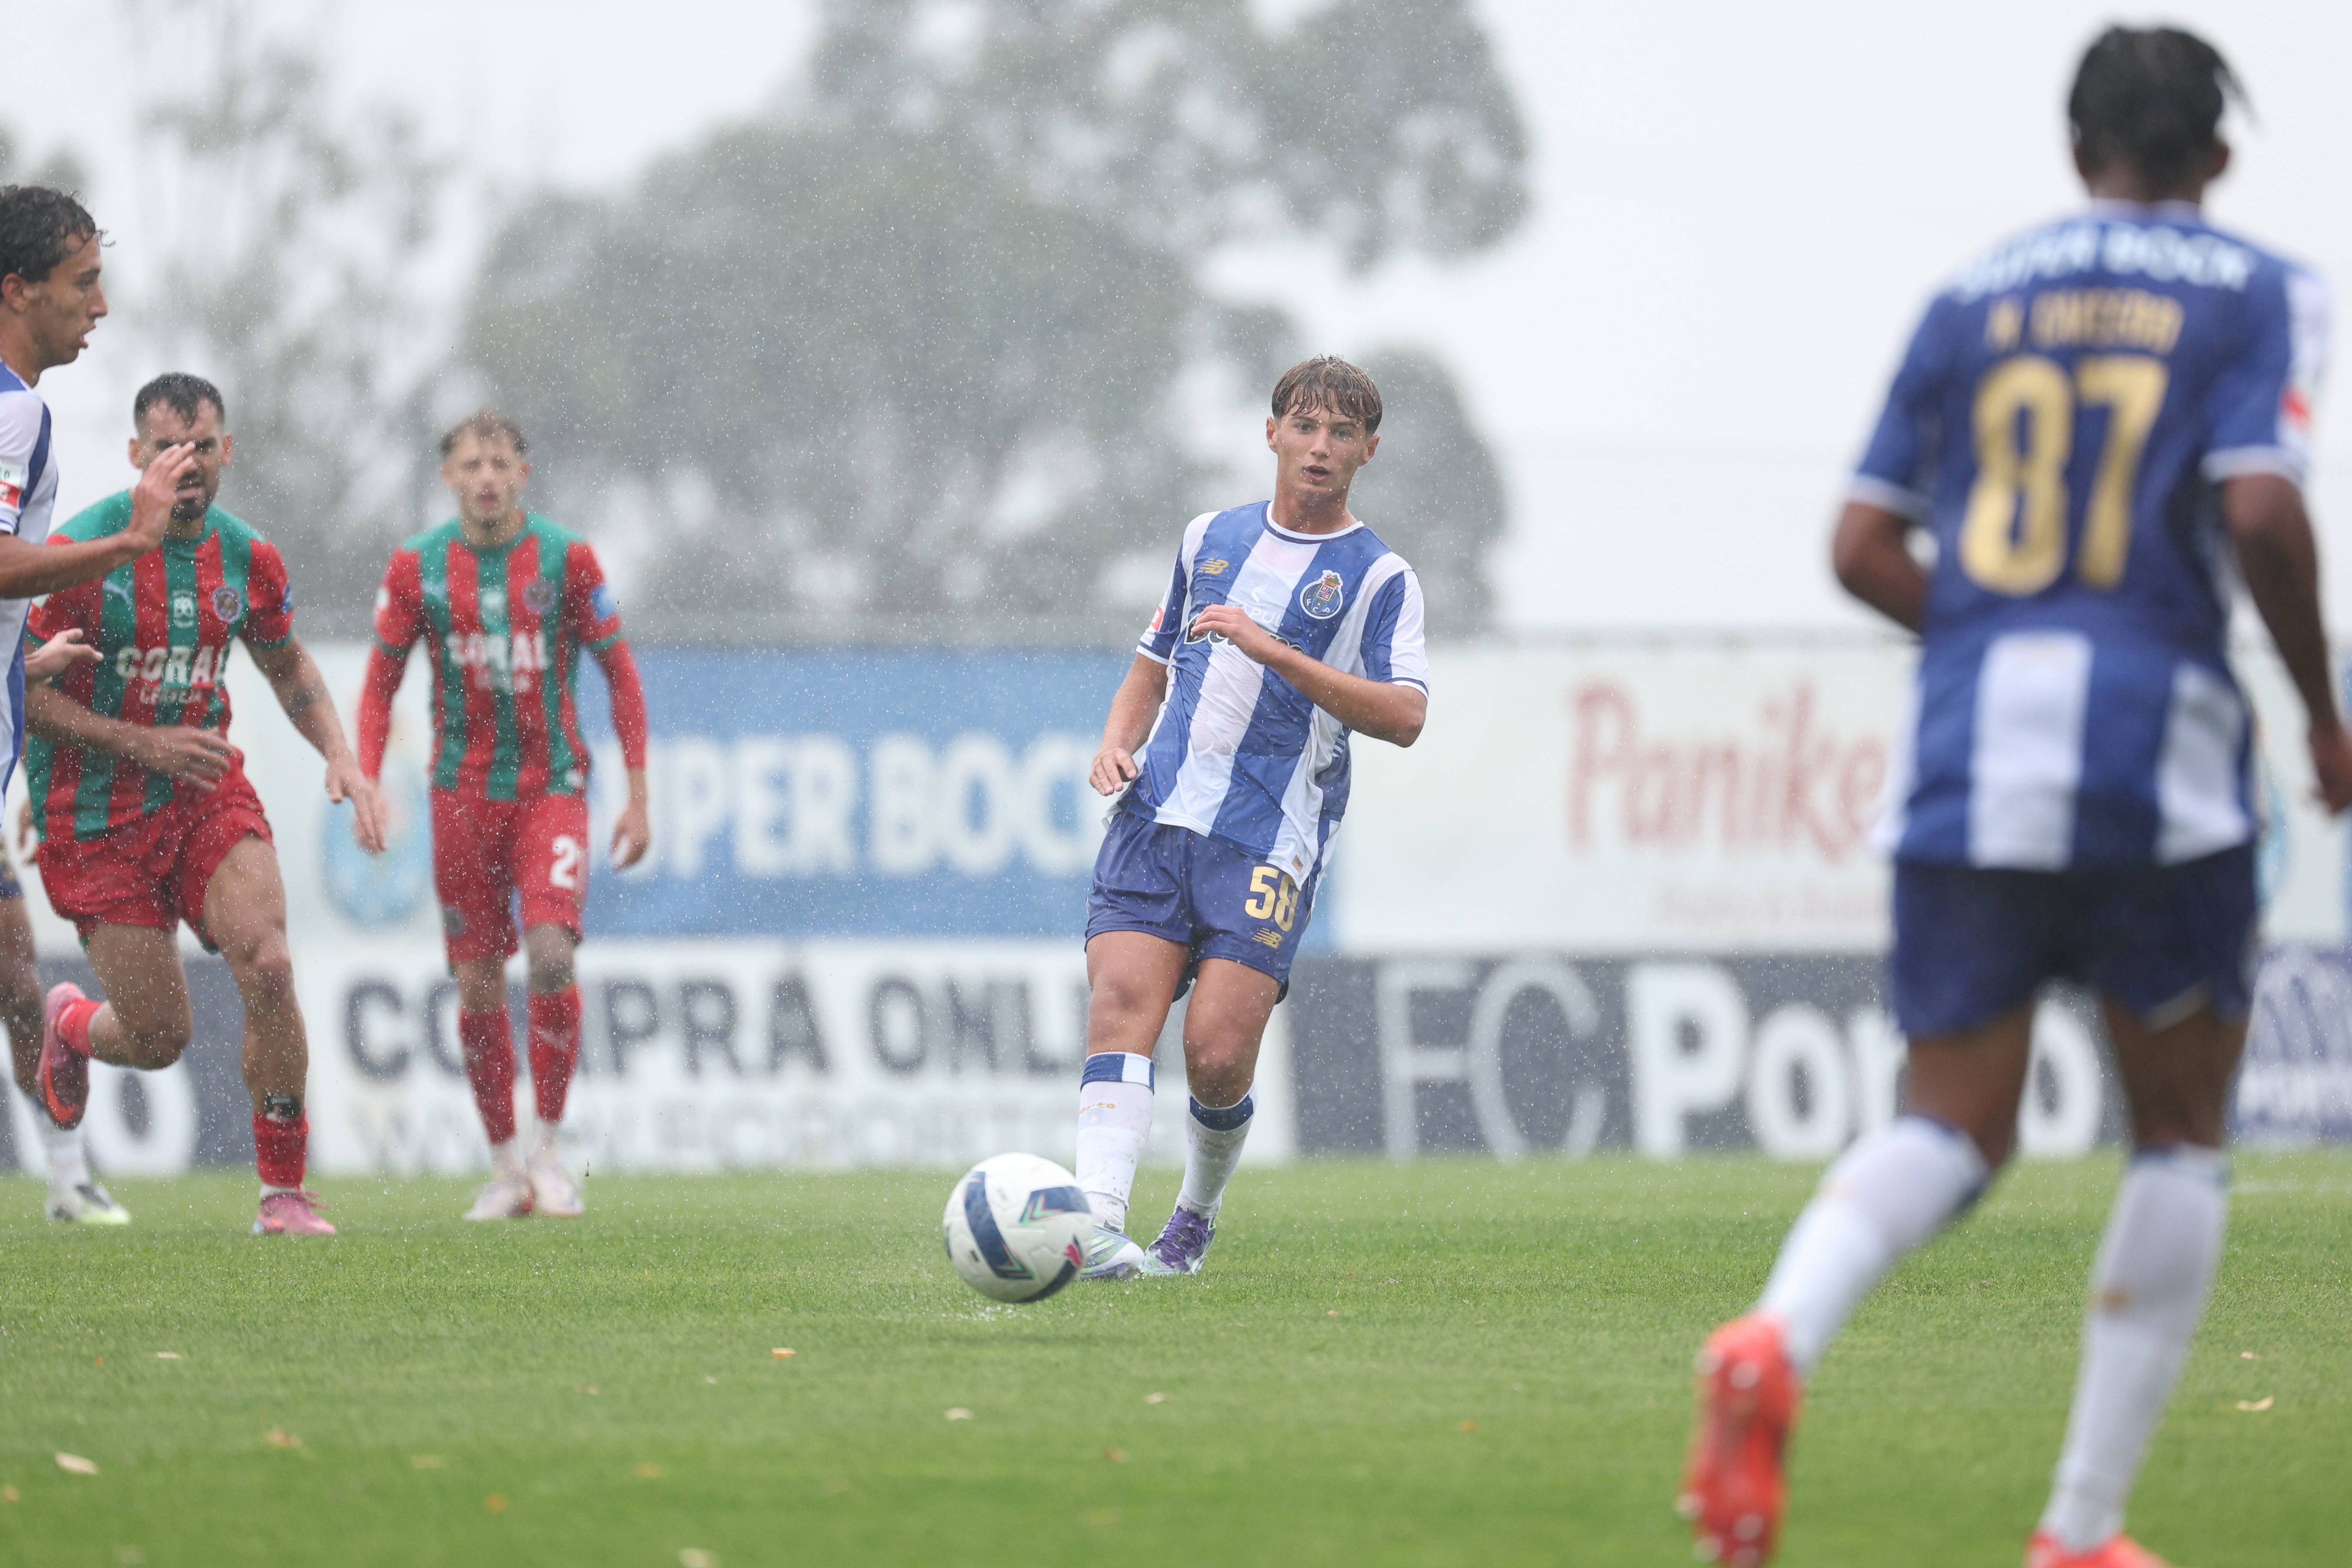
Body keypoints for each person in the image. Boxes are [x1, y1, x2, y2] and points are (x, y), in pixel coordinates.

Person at [1679, 28, 2352, 1568]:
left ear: (2072, 151)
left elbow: (1858, 545)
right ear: (2221, 160)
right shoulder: (2259, 287)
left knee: (1952, 1124)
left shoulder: (1970, 297)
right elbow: (2260, 503)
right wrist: (2322, 709)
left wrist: (1999, 629)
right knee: (2179, 1126)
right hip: (2156, 759)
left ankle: (1775, 1338)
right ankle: (2081, 1532)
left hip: (1970, 750)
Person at [1074, 356, 1427, 1280]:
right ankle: (1098, 1225)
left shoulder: (1381, 577)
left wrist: (1273, 651)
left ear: (1369, 451)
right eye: (1305, 427)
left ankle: (1193, 1216)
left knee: (1217, 1056)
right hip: (1157, 818)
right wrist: (1119, 742)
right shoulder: (1209, 538)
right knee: (1119, 1006)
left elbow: (1405, 717)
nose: (1321, 448)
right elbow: (1151, 664)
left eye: (1342, 434)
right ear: (1270, 433)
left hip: (1271, 838)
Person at [26, 373, 386, 1237]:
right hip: (94, 819)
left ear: (228, 452)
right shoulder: (83, 552)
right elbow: (23, 695)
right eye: (166, 451)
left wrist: (343, 753)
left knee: (269, 965)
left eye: (201, 448)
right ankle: (72, 1025)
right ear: (135, 457)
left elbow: (288, 665)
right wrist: (142, 743)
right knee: (159, 1039)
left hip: (204, 796)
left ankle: (283, 1194)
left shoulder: (247, 558)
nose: (184, 465)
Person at [357, 410, 650, 1222]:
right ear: (448, 477)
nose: (485, 478)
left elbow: (621, 676)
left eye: (499, 463)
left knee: (552, 954)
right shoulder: (417, 567)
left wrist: (639, 796)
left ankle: (550, 1157)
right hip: (458, 798)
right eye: (468, 465)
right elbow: (380, 684)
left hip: (550, 788)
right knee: (479, 980)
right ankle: (503, 1168)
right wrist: (370, 781)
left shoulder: (566, 558)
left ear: (524, 472)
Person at [0, 184, 203, 1222]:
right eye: (84, 284)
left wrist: (14, 670)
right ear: (17, 289)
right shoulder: (12, 411)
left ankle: (68, 1181)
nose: (103, 306)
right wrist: (132, 540)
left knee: (20, 977)